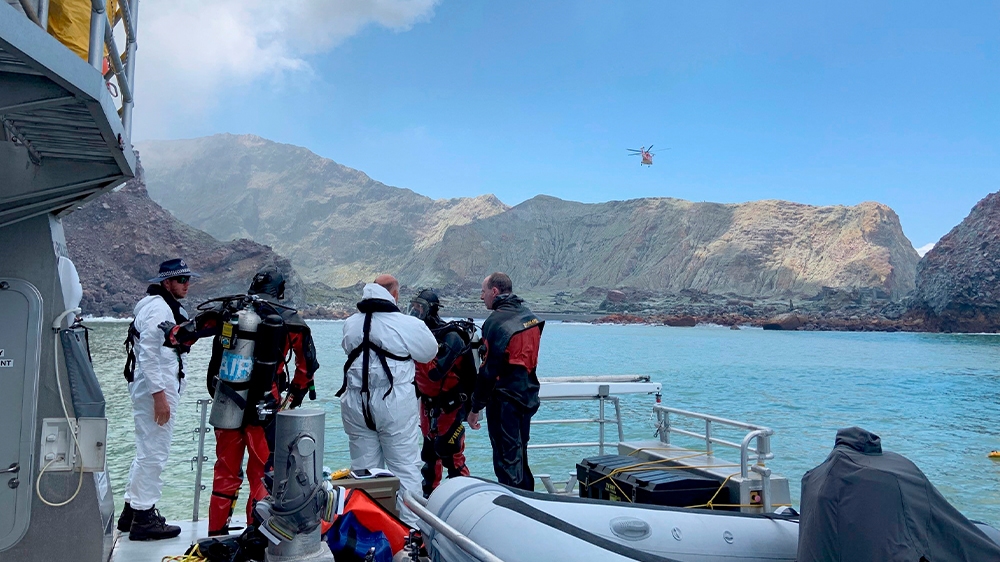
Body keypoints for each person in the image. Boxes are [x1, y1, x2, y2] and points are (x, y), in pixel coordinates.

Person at [166, 266, 320, 536]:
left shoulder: (230, 312)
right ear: (280, 290)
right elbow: (307, 366)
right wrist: (293, 396)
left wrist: (172, 333)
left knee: (225, 471)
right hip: (264, 407)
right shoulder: (288, 319)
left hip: (227, 403)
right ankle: (255, 534)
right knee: (262, 472)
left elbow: (185, 333)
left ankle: (216, 532)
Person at [337, 274, 437, 525]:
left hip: (356, 403)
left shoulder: (350, 323)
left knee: (363, 471)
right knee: (405, 468)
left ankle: (368, 530)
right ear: (394, 294)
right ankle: (410, 534)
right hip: (394, 403)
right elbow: (428, 352)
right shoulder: (406, 324)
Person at [117, 258, 197, 540]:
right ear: (167, 283)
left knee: (146, 449)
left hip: (154, 387)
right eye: (182, 280)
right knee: (155, 452)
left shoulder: (155, 304)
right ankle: (144, 518)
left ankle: (131, 510)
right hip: (156, 389)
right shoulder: (160, 308)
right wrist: (160, 396)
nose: (187, 284)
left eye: (188, 279)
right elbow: (148, 354)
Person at [467, 272, 544, 491]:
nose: (481, 298)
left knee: (506, 461)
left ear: (494, 291)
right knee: (521, 455)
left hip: (504, 401)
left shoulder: (495, 322)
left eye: (483, 292)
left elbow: (488, 370)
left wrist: (475, 408)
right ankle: (529, 501)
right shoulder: (530, 317)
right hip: (527, 396)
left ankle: (516, 508)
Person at [409, 289, 479, 497]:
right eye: (413, 306)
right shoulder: (419, 336)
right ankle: (429, 502)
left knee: (452, 455)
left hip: (449, 406)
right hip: (428, 405)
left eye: (419, 308)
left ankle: (465, 502)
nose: (415, 312)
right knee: (429, 457)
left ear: (431, 310)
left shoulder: (452, 337)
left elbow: (434, 373)